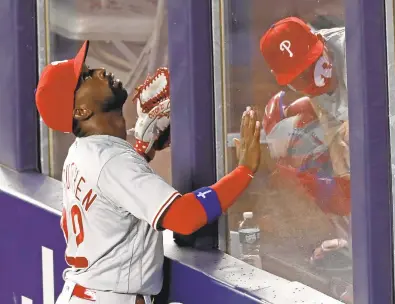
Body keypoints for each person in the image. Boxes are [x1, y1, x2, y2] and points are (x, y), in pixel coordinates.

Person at [35, 40, 261, 304]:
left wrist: (144, 151)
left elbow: (113, 193)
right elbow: (184, 217)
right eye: (86, 77)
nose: (98, 72)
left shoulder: (80, 153)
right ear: (81, 111)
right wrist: (245, 170)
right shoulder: (112, 161)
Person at [259, 17, 352, 303]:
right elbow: (348, 179)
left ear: (320, 43)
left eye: (311, 65)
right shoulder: (316, 100)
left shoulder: (364, 53)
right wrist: (355, 248)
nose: (310, 79)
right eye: (298, 77)